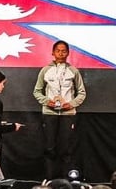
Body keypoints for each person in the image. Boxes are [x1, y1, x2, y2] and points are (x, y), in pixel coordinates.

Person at [33, 40, 87, 179]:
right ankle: (49, 179)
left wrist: (72, 104)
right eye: (58, 50)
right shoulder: (45, 70)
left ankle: (66, 180)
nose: (61, 53)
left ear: (68, 53)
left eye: (64, 51)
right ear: (52, 52)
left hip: (68, 114)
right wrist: (47, 102)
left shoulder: (73, 71)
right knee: (49, 147)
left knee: (66, 148)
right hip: (49, 113)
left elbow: (82, 92)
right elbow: (37, 91)